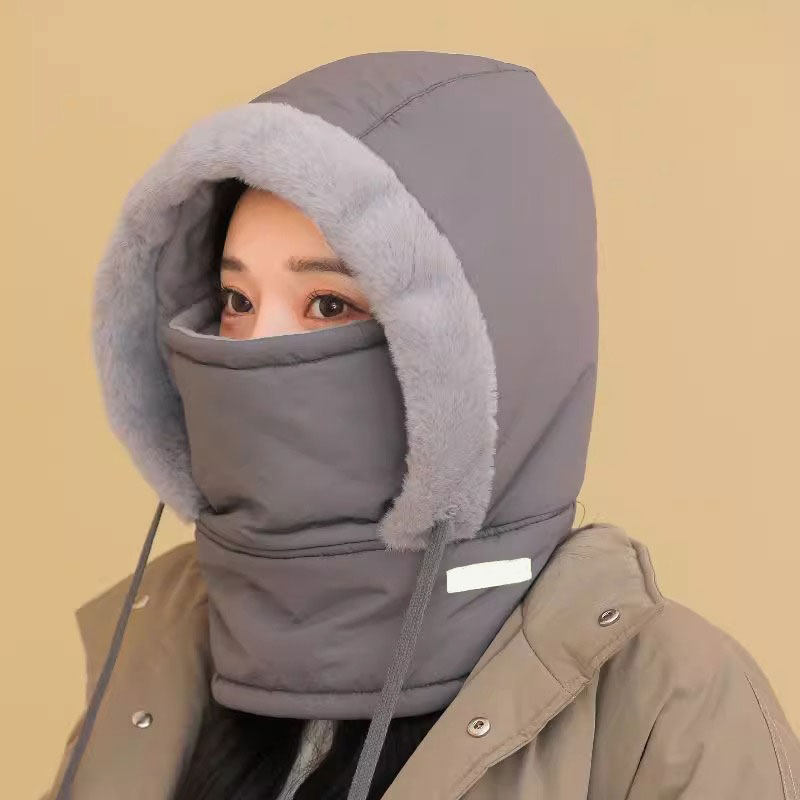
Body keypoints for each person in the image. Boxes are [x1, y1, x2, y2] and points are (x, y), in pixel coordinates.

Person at [42, 50, 799, 800]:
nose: (254, 350)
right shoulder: (158, 646)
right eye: (237, 301)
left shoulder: (673, 707)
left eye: (329, 304)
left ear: (486, 351)